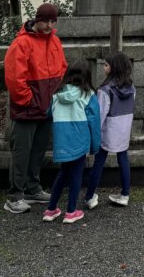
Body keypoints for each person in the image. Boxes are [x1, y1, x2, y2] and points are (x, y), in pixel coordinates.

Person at [2, 2, 67, 214]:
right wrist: (27, 100)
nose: (49, 25)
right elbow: (14, 77)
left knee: (38, 150)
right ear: (37, 20)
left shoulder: (55, 41)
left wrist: (55, 96)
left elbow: (62, 69)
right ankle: (15, 195)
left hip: (46, 106)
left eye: (52, 21)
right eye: (45, 21)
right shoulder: (21, 43)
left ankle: (32, 188)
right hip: (28, 108)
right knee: (21, 152)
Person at [42, 58, 100, 224]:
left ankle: (51, 209)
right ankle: (71, 211)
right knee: (76, 176)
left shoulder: (57, 94)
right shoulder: (88, 95)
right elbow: (94, 122)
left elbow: (49, 113)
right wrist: (95, 146)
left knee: (63, 174)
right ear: (87, 76)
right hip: (79, 141)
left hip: (62, 142)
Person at [83, 52, 135, 209]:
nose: (103, 67)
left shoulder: (105, 90)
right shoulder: (131, 87)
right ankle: (125, 195)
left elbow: (99, 115)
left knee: (99, 162)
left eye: (106, 65)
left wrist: (93, 135)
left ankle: (90, 196)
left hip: (108, 131)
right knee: (123, 159)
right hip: (124, 130)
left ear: (114, 68)